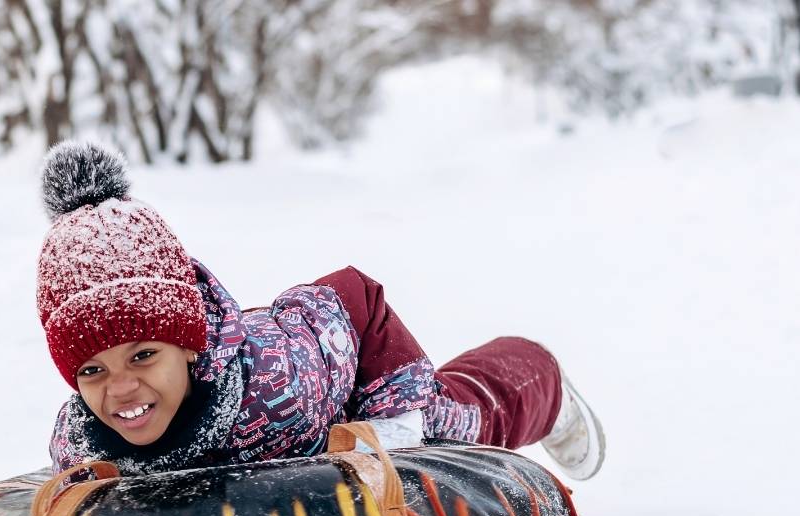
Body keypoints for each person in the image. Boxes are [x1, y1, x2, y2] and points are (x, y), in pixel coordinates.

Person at [37, 140, 604, 481]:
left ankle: (542, 383)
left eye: (142, 355)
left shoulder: (280, 383)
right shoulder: (80, 443)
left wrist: (393, 429)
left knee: (454, 428)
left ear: (189, 343)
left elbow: (356, 296)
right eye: (92, 370)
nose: (122, 389)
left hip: (347, 376)